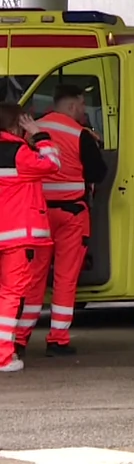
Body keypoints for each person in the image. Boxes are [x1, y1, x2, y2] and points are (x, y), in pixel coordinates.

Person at [15, 84, 107, 357]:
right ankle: (57, 340)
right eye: (82, 104)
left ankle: (20, 339)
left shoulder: (32, 130)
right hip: (71, 216)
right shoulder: (81, 135)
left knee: (33, 278)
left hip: (38, 215)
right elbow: (98, 173)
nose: (84, 110)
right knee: (65, 278)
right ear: (71, 105)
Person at [0, 103, 61, 373]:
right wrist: (39, 134)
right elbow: (53, 164)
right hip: (16, 237)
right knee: (11, 294)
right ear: (17, 126)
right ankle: (3, 356)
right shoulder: (20, 154)